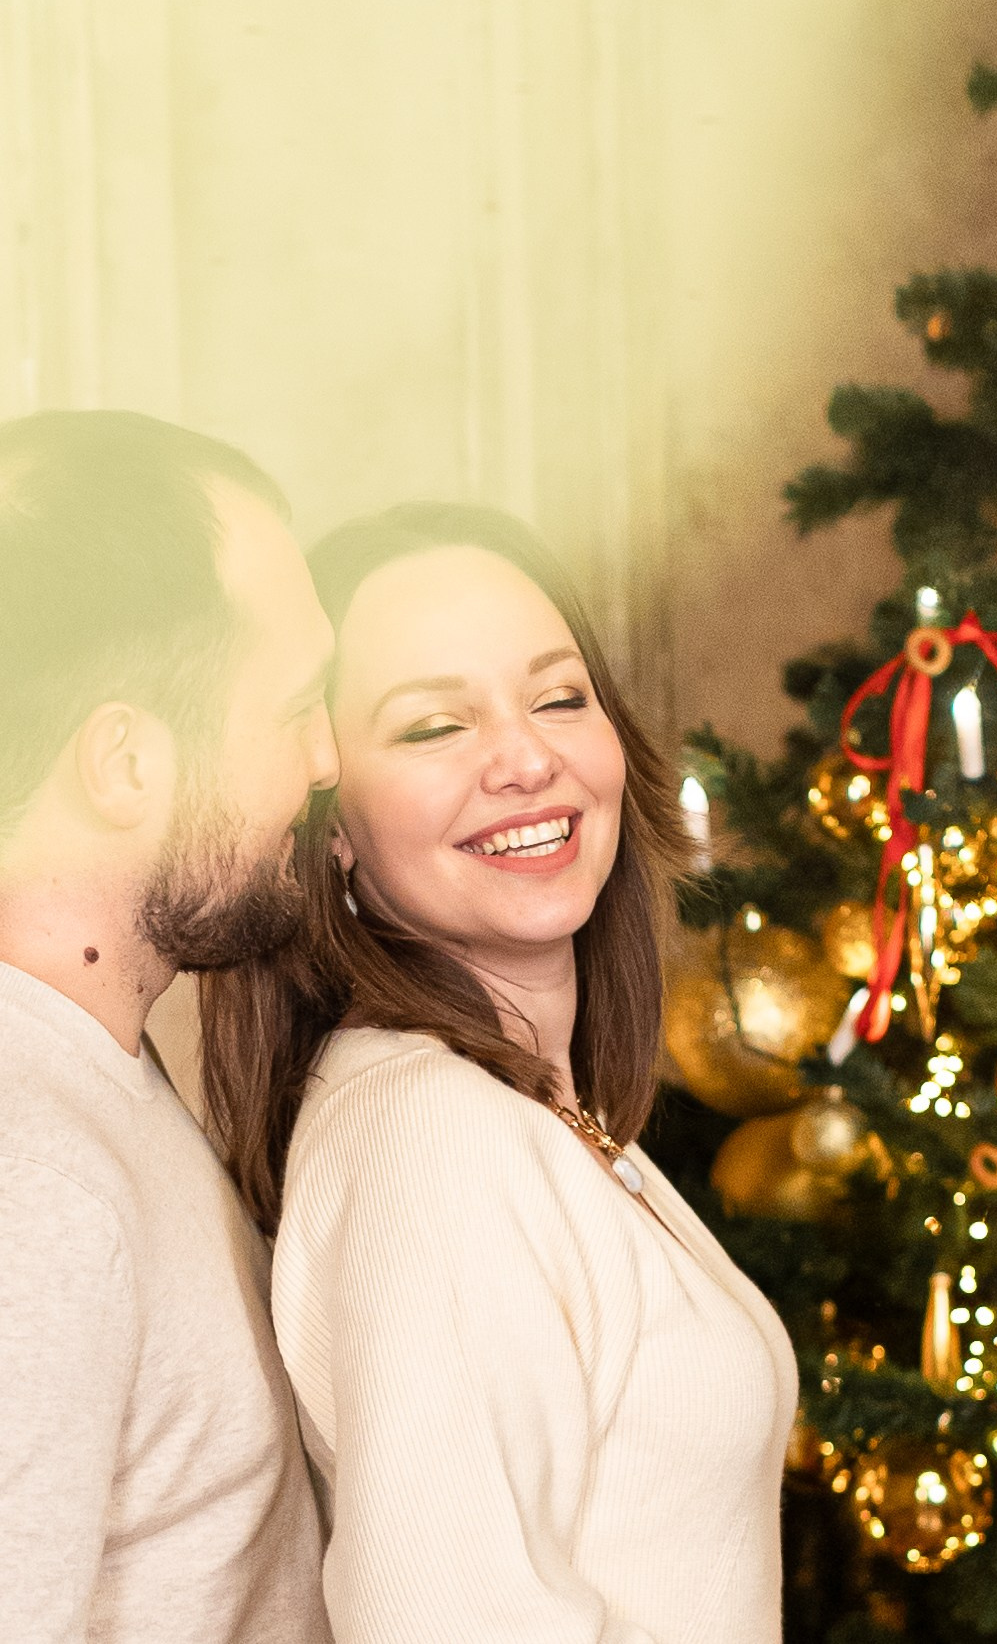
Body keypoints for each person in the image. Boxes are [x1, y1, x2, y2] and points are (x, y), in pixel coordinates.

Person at [200, 501, 798, 1644]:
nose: (525, 759)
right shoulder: (433, 1139)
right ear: (332, 822)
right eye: (434, 725)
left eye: (558, 697)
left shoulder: (525, 1111)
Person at [0, 411, 337, 1642]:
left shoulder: (90, 1073)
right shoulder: (34, 1189)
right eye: (293, 706)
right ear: (125, 764)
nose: (325, 756)